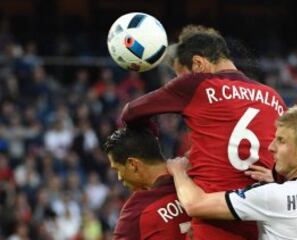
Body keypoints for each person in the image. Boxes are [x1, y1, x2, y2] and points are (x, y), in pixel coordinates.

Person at [118, 25, 287, 239]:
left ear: (198, 64)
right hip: (266, 224)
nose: (178, 81)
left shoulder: (196, 84)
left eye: (180, 75)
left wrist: (152, 145)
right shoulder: (274, 97)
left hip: (214, 220)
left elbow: (131, 112)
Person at [167, 106, 297, 240]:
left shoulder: (273, 196)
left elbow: (194, 204)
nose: (271, 147)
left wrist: (178, 171)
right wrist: (278, 181)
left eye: (281, 141)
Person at [104, 127, 191, 240]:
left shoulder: (135, 212)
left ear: (133, 164)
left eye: (117, 170)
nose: (119, 178)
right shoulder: (196, 175)